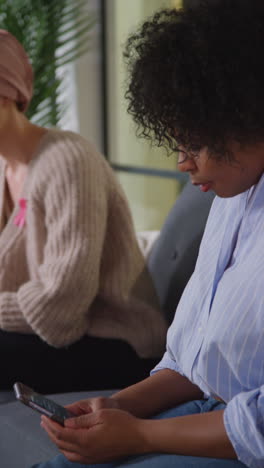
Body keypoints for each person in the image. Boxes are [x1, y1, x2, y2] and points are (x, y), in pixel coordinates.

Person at [29, 0, 264, 467]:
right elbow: (195, 362)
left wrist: (139, 436)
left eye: (196, 143)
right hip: (204, 418)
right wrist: (120, 407)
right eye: (176, 142)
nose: (182, 163)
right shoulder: (230, 198)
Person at [0, 29, 167, 394]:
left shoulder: (68, 161)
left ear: (6, 93)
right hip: (51, 331)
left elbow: (60, 312)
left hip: (117, 343)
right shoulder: (6, 168)